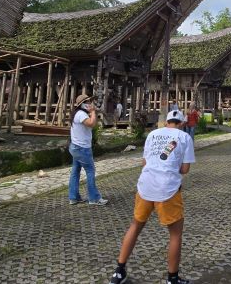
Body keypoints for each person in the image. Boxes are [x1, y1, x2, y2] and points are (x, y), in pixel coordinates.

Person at [108, 109, 195, 284]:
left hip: (145, 185)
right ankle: (172, 278)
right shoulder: (185, 137)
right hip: (168, 189)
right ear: (182, 123)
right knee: (175, 235)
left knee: (135, 226)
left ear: (166, 122)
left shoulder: (153, 134)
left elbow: (145, 162)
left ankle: (118, 272)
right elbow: (185, 169)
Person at [68, 94, 107, 205]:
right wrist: (93, 111)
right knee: (90, 171)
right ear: (82, 104)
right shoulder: (80, 114)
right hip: (82, 148)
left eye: (90, 101)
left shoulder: (77, 113)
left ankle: (73, 197)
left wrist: (92, 112)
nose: (90, 103)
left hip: (75, 147)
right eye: (88, 102)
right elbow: (91, 124)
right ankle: (94, 198)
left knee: (75, 171)